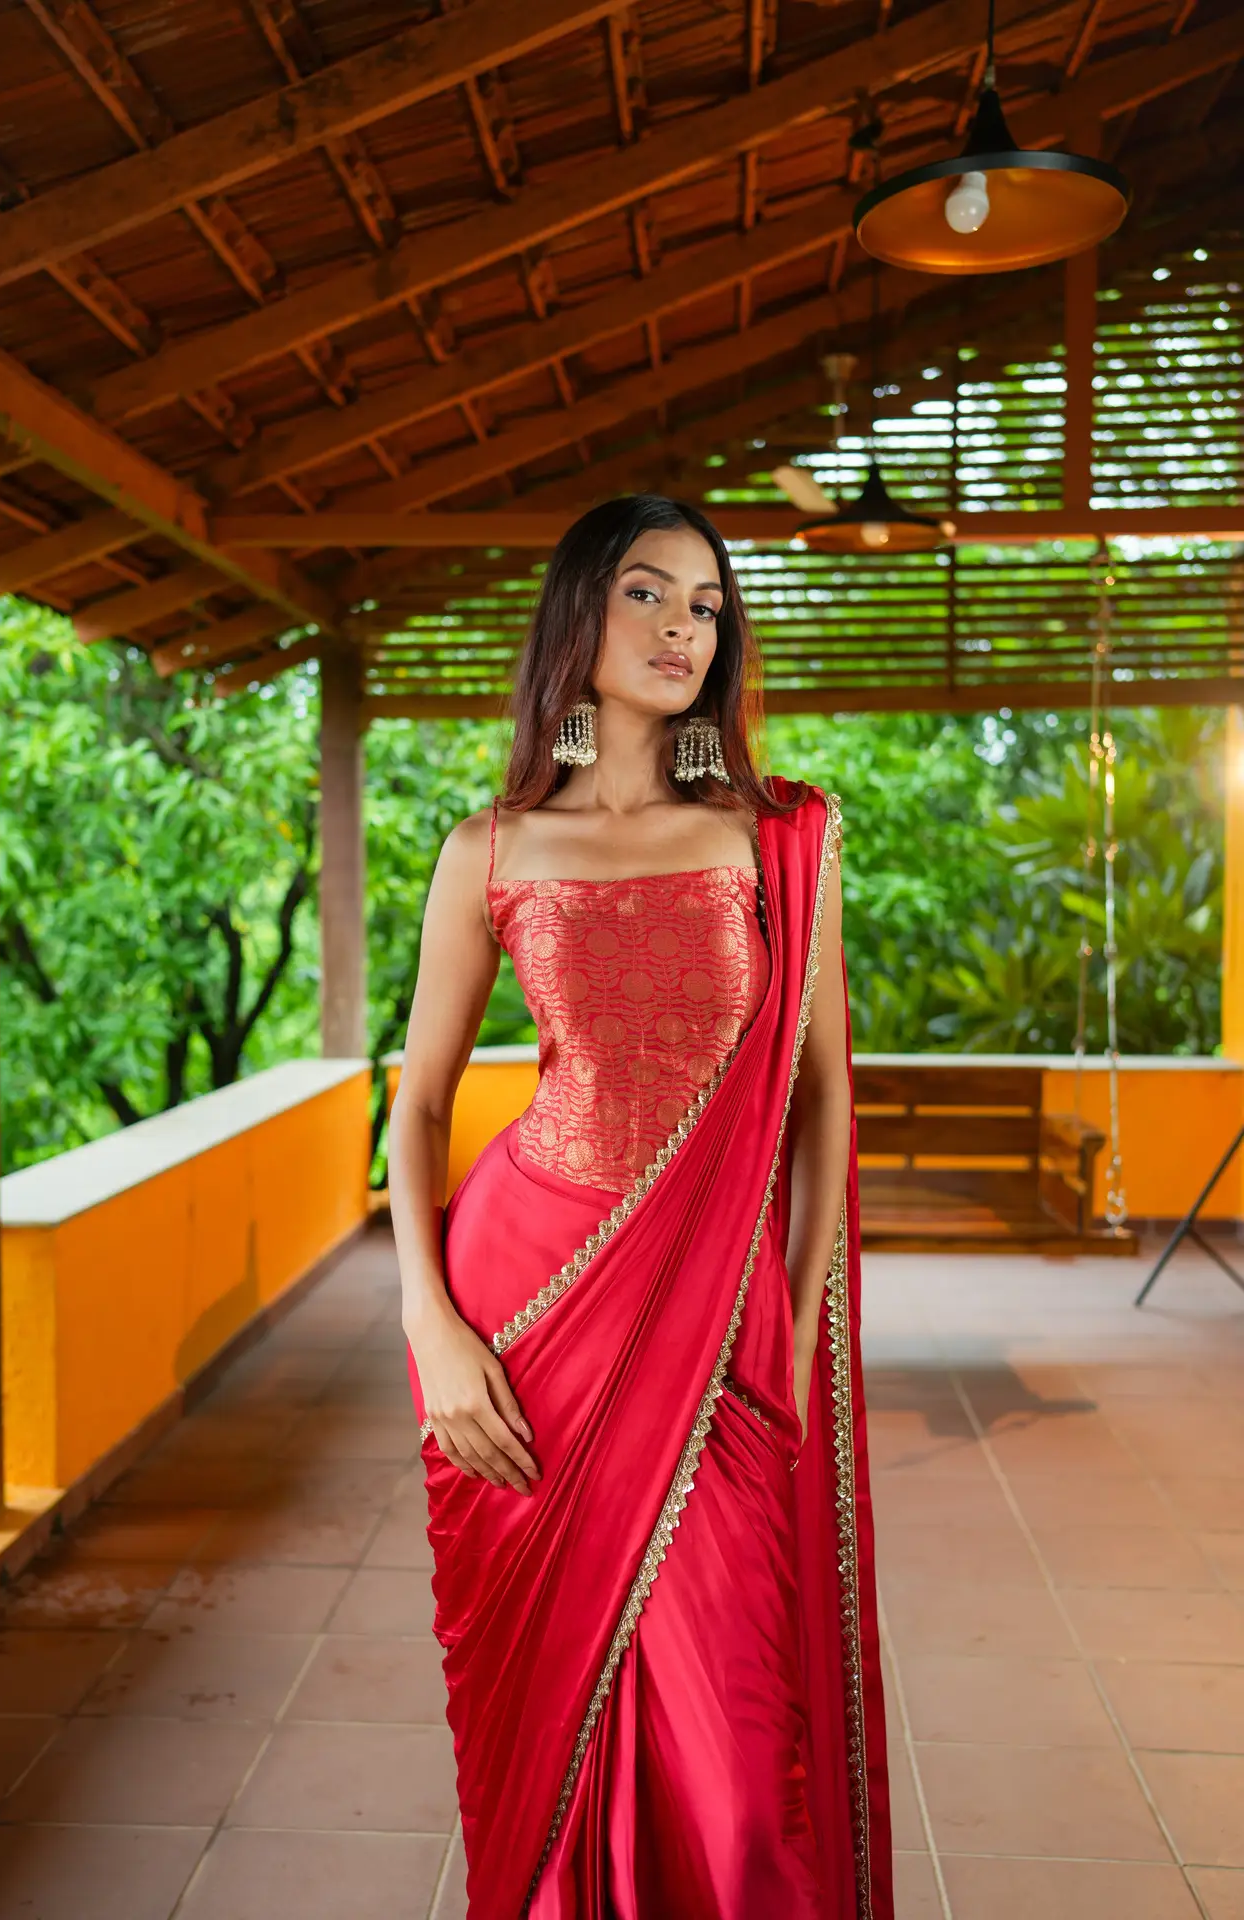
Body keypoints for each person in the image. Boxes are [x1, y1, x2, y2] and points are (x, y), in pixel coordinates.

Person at [388, 495, 892, 1920]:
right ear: (579, 617)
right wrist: (431, 1326)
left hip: (720, 1331)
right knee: (550, 1734)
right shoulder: (488, 850)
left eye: (708, 607)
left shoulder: (778, 838)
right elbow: (416, 1108)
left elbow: (819, 1099)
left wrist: (788, 1334)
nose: (686, 629)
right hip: (524, 1317)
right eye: (650, 596)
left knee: (738, 1785)